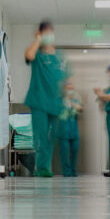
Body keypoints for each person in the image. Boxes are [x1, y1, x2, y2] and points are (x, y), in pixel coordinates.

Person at [24, 20, 65, 177]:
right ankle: (42, 168)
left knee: (50, 137)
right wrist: (38, 40)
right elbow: (28, 55)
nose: (49, 35)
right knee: (41, 135)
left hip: (55, 104)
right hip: (39, 102)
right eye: (45, 32)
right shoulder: (37, 54)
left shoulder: (58, 57)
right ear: (40, 33)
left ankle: (44, 166)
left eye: (51, 32)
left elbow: (63, 79)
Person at [58, 81, 83, 177]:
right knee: (64, 153)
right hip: (63, 131)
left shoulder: (75, 101)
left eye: (71, 88)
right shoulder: (59, 101)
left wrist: (72, 103)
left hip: (74, 131)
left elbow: (80, 109)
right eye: (68, 88)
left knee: (74, 151)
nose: (70, 90)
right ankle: (66, 172)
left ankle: (73, 171)